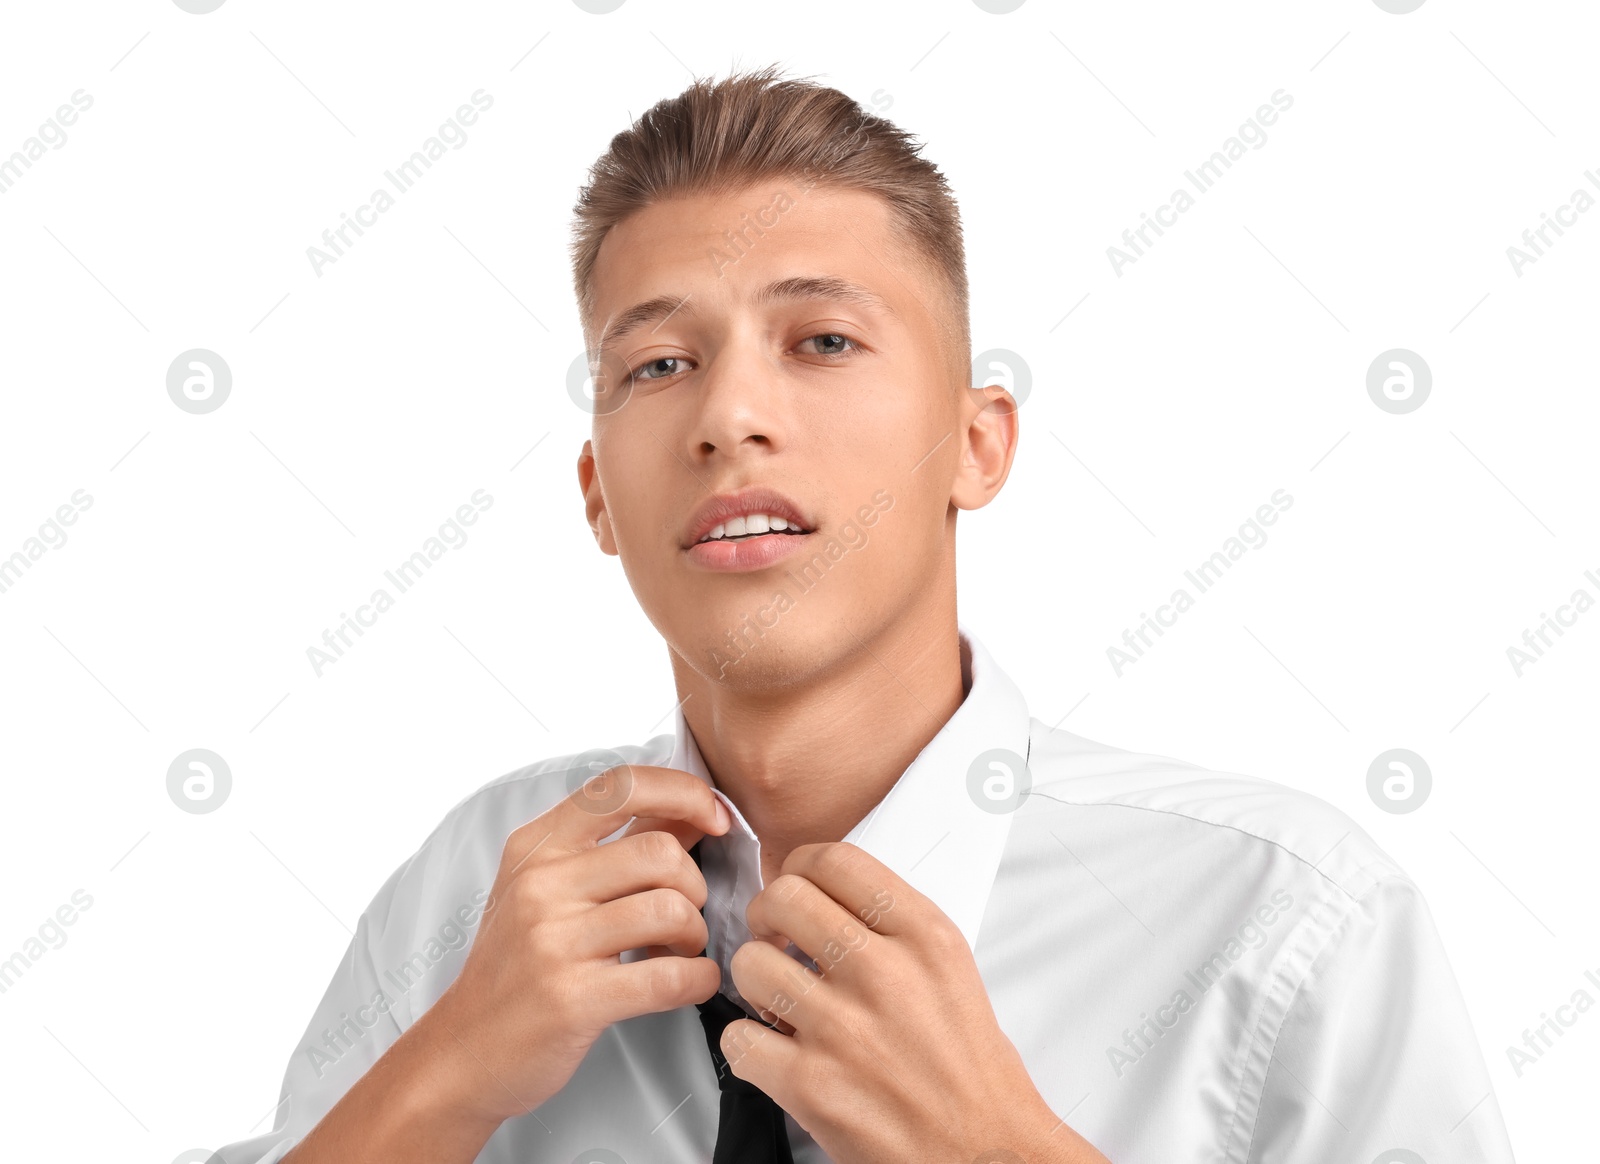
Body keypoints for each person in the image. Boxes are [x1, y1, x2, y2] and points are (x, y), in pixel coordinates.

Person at [212, 65, 1515, 1163]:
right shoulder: (471, 898)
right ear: (598, 492)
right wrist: (445, 1079)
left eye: (823, 341)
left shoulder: (1285, 922)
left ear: (977, 445)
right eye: (660, 365)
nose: (728, 416)